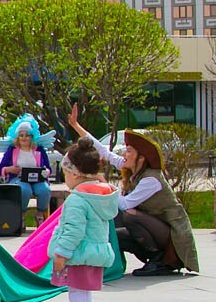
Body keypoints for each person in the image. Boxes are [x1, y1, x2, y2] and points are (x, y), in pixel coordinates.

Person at [68, 106, 199, 277]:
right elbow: (104, 152)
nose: (124, 153)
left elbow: (125, 205)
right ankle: (118, 263)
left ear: (141, 158)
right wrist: (76, 126)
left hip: (173, 238)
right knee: (115, 234)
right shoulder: (133, 170)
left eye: (129, 151)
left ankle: (160, 260)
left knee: (129, 215)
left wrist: (103, 183)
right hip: (154, 229)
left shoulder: (151, 180)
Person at [48, 137, 120, 302]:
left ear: (76, 174)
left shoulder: (78, 200)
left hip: (79, 255)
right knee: (85, 296)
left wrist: (61, 254)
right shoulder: (100, 197)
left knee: (77, 296)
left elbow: (74, 231)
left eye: (66, 174)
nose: (65, 179)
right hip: (95, 253)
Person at [0, 114, 55, 224]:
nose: (24, 138)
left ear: (32, 137)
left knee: (45, 190)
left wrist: (46, 171)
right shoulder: (12, 150)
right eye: (21, 135)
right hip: (18, 179)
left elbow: (48, 167)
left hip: (37, 179)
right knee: (24, 190)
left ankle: (40, 214)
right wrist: (9, 169)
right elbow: (1, 168)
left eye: (27, 135)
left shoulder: (39, 149)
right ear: (17, 137)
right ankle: (21, 215)